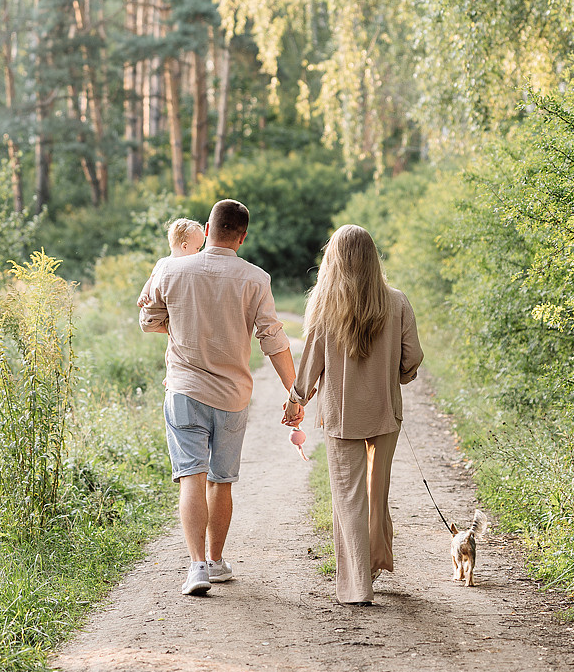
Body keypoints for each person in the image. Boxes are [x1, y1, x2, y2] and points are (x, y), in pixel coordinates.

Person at [140, 199, 296, 596]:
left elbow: (149, 320)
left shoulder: (169, 268)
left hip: (183, 390)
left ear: (206, 230)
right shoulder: (256, 278)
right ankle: (215, 561)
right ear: (242, 237)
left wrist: (182, 331)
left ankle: (196, 568)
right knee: (220, 481)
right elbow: (272, 338)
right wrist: (294, 391)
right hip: (231, 396)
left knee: (190, 477)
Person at [282, 224, 423, 605]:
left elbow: (311, 363)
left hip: (342, 416)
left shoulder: (325, 307)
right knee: (377, 495)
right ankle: (376, 561)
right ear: (373, 257)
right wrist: (397, 375)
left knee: (349, 498)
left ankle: (358, 585)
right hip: (385, 412)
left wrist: (297, 401)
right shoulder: (397, 302)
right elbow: (412, 358)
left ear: (334, 259)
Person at [136, 218, 206, 311]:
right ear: (184, 246)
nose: (199, 252)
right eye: (198, 248)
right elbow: (151, 280)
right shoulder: (163, 263)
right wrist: (144, 294)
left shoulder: (191, 266)